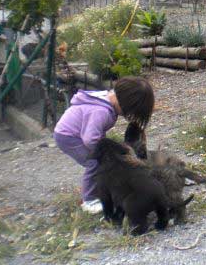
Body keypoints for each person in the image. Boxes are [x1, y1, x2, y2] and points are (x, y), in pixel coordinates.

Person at [53, 77, 154, 213]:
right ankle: (89, 201)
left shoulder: (106, 98)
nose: (126, 115)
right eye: (128, 112)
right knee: (95, 163)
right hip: (69, 137)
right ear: (124, 104)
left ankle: (99, 191)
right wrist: (107, 154)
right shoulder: (102, 112)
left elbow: (94, 132)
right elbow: (90, 139)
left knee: (102, 162)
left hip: (75, 133)